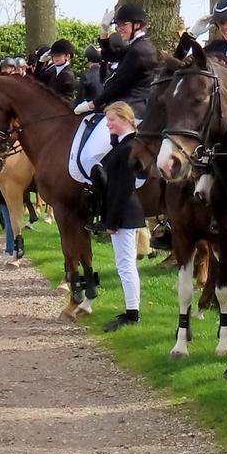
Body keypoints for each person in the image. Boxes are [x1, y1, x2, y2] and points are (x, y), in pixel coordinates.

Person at [95, 102, 144, 331]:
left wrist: (112, 221)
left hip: (124, 212)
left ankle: (133, 313)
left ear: (125, 119)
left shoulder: (128, 148)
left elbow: (122, 188)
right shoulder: (124, 145)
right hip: (124, 211)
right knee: (125, 263)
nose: (108, 124)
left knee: (125, 264)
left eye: (112, 119)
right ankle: (131, 309)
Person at [87, 3, 157, 118]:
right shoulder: (137, 45)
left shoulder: (138, 50)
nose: (119, 29)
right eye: (117, 25)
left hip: (132, 107)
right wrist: (104, 30)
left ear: (137, 25)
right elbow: (109, 56)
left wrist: (92, 104)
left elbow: (118, 84)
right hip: (127, 105)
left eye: (123, 24)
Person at [38, 39, 79, 103]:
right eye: (53, 56)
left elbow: (52, 93)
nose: (55, 58)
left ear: (67, 56)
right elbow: (37, 81)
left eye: (58, 55)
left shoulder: (67, 75)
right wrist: (40, 62)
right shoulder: (53, 70)